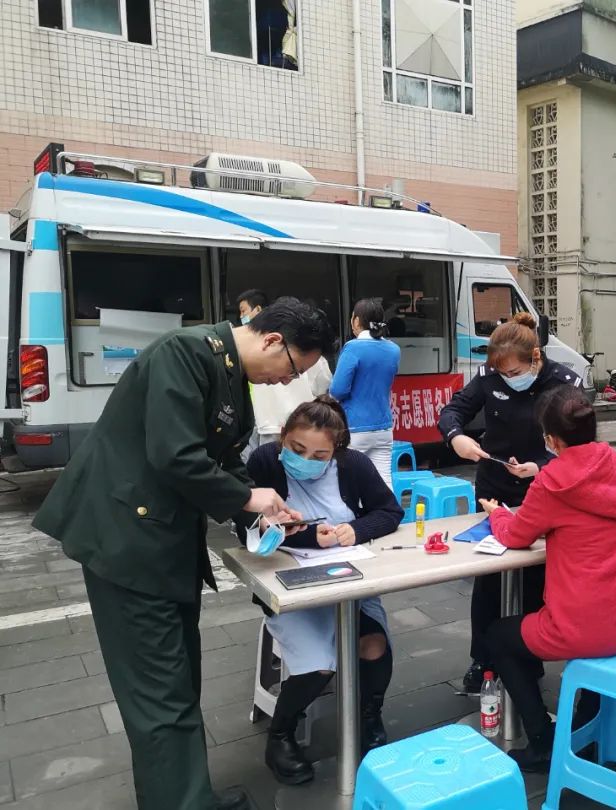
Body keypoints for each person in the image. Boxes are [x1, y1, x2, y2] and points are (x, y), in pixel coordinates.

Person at [32, 298, 336, 810]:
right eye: (291, 370)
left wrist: (255, 513)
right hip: (126, 542)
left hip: (161, 543)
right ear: (270, 340)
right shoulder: (184, 354)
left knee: (178, 681)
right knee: (160, 695)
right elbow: (175, 456)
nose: (286, 384)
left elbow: (224, 459)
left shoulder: (225, 370)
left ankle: (186, 795)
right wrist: (245, 498)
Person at [482, 386, 616, 771]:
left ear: (549, 439)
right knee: (593, 640)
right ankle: (584, 726)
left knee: (497, 636)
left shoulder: (552, 482)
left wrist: (496, 512)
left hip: (582, 624)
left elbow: (516, 536)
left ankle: (544, 742)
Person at [242, 396, 404, 784]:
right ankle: (280, 735)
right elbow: (242, 525)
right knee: (317, 663)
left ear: (337, 451)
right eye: (297, 450)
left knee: (374, 644)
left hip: (349, 582)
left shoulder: (354, 466)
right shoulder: (264, 462)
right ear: (283, 437)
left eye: (319, 454)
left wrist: (356, 530)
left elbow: (389, 511)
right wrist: (297, 533)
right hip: (289, 582)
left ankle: (369, 718)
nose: (306, 460)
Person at [438, 312, 583, 695]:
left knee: (537, 574)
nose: (508, 378)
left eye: (515, 370)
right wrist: (456, 438)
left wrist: (545, 465)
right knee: (488, 578)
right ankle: (483, 660)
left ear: (536, 356)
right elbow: (452, 411)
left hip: (545, 490)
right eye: (501, 372)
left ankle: (527, 657)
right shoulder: (489, 378)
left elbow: (582, 441)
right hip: (494, 491)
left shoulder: (564, 383)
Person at [241, 292, 333, 458]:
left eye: (295, 373)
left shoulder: (261, 353)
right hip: (296, 426)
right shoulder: (314, 359)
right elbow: (323, 390)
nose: (284, 381)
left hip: (266, 423)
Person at [329, 298, 401, 486]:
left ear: (356, 320)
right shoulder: (393, 350)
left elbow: (337, 390)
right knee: (383, 482)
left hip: (354, 428)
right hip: (384, 427)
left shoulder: (352, 348)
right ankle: (389, 515)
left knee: (349, 483)